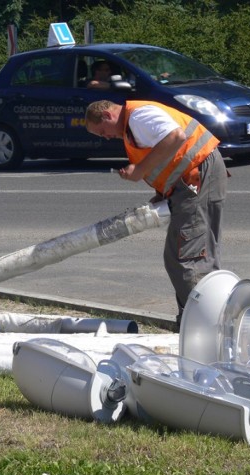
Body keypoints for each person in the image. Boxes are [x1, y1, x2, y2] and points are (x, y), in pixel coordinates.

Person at [85, 100, 227, 331]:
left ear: (108, 116)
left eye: (102, 132)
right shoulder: (134, 126)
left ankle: (205, 325)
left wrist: (139, 170)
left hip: (197, 176)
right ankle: (201, 319)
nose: (106, 137)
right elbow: (169, 156)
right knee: (186, 254)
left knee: (187, 256)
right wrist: (163, 192)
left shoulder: (138, 118)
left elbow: (176, 137)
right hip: (192, 179)